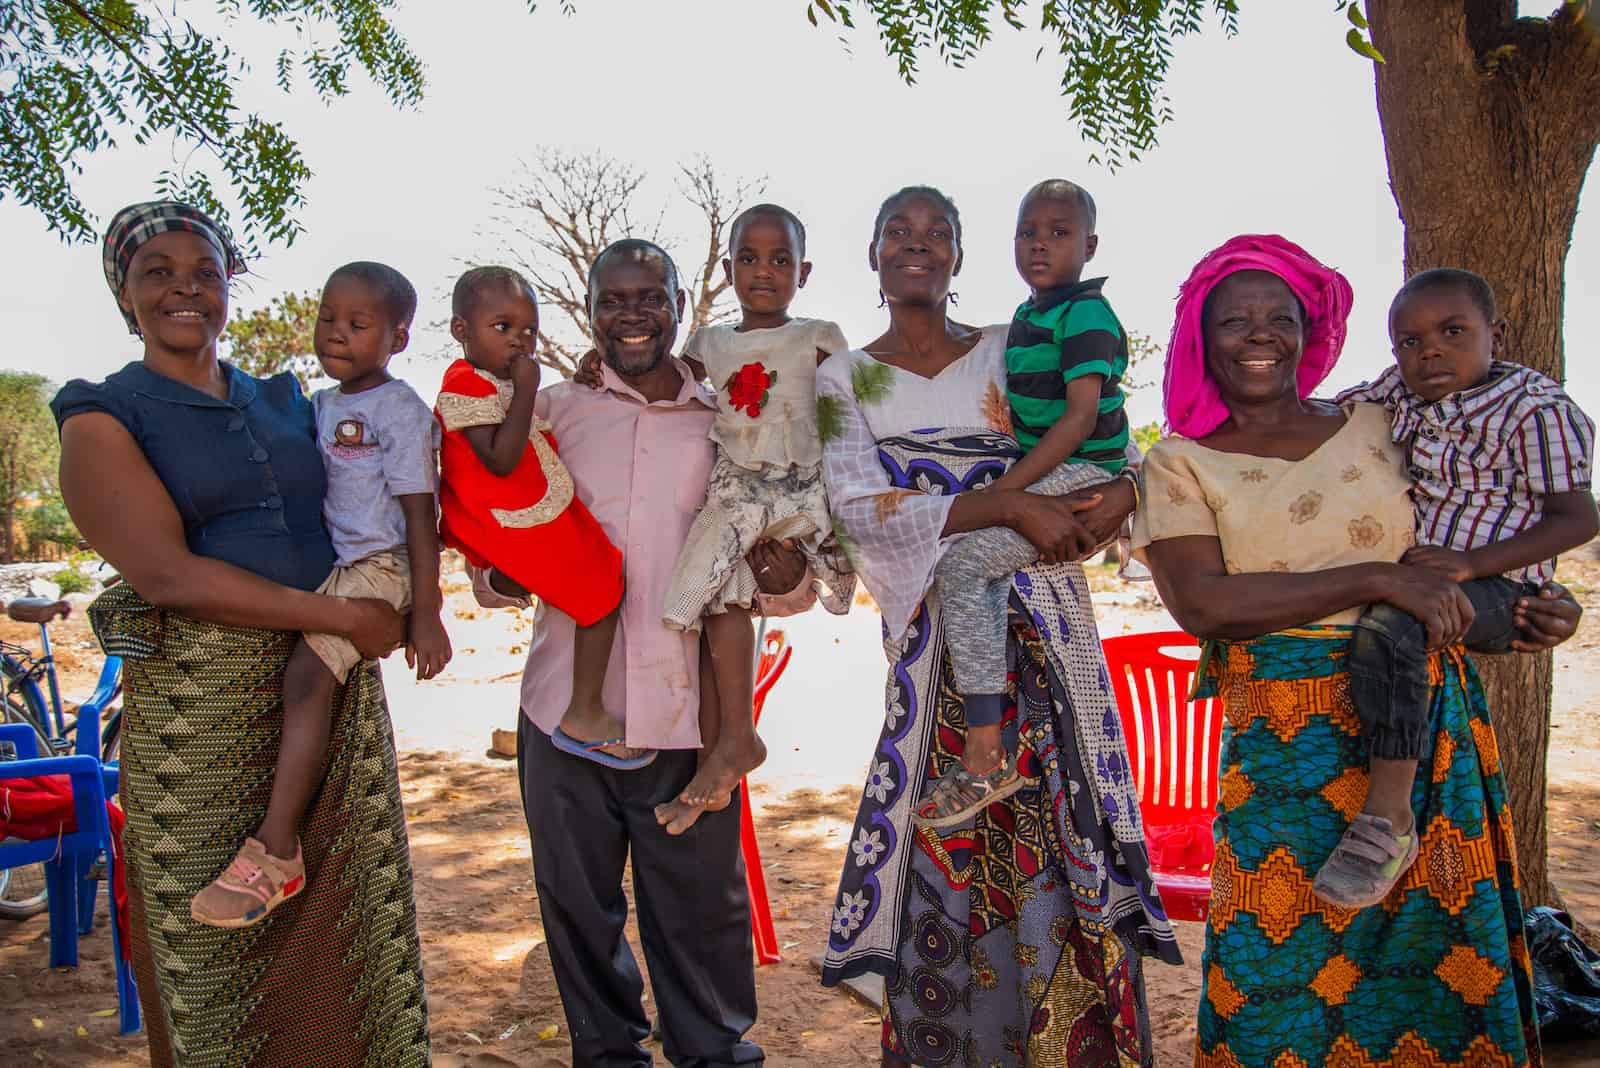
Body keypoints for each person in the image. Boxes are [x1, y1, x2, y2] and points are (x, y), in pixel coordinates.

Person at [1134, 233, 1582, 1068]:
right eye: (1236, 320)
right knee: (1274, 989)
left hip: (1425, 740)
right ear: (1203, 336)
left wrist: (1537, 610)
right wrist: (1378, 577)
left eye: (1281, 317)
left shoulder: (1381, 421)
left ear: (1312, 330)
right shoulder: (1178, 464)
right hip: (1281, 758)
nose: (1261, 334)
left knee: (1437, 982)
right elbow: (1207, 604)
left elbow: (1476, 518)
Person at [53, 201, 428, 1065]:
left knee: (349, 950)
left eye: (205, 273)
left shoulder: (290, 399)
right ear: (126, 296)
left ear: (227, 291)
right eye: (158, 273)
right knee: (215, 962)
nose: (185, 289)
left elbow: (394, 484)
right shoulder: (102, 415)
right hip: (202, 718)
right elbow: (166, 576)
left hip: (328, 695)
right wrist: (344, 619)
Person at [817, 185, 1180, 1067]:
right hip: (936, 643)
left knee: (1062, 831)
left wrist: (1128, 488)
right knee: (951, 845)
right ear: (871, 254)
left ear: (959, 256)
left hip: (1048, 621)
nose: (917, 246)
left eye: (937, 233)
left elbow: (1101, 441)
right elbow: (859, 509)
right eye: (896, 232)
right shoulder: (842, 378)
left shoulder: (1008, 344)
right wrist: (1008, 505)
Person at [472, 238, 815, 1067]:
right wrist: (504, 573)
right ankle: (609, 1054)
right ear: (590, 311)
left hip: (688, 723)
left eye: (649, 296)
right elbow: (493, 538)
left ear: (676, 303)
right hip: (563, 715)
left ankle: (715, 1054)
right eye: (613, 299)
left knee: (701, 917)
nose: (632, 314)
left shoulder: (732, 417)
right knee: (579, 915)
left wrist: (790, 568)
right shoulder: (556, 409)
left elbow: (783, 578)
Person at [1312, 267, 1596, 907]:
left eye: (1452, 331)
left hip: (1501, 586)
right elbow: (1337, 410)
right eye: (1407, 342)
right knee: (1387, 625)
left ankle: (1387, 817)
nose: (1428, 350)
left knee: (1393, 626)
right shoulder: (1403, 395)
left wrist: (1470, 565)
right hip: (1432, 580)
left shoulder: (1536, 410)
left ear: (1497, 333)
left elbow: (1578, 516)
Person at [580, 203, 855, 834]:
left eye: (781, 259)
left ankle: (729, 745)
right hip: (737, 487)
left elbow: (854, 404)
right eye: (751, 259)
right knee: (709, 597)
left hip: (801, 485)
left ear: (804, 272)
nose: (765, 272)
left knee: (761, 583)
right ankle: (731, 741)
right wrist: (594, 365)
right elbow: (667, 376)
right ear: (729, 268)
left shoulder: (820, 335)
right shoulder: (710, 342)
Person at [190, 260, 449, 928]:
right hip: (340, 565)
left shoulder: (399, 410)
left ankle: (277, 852)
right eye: (327, 318)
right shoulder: (323, 404)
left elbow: (422, 516)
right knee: (298, 679)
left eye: (358, 324)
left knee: (307, 680)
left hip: (380, 567)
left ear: (396, 338)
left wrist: (427, 613)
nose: (336, 333)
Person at [918, 178, 1131, 829]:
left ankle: (986, 756)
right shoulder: (1027, 318)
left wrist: (1007, 496)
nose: (1040, 244)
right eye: (1028, 232)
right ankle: (991, 735)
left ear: (1089, 245)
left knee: (960, 566)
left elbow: (1076, 421)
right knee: (975, 570)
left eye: (1059, 233)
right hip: (1053, 470)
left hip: (1080, 470)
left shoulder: (1086, 316)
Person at [435, 266, 631, 765]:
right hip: (509, 519)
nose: (519, 342)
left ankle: (586, 708)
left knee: (606, 573)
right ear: (461, 331)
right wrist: (527, 388)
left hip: (532, 511)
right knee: (602, 588)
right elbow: (500, 460)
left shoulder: (492, 383)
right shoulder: (465, 384)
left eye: (529, 331)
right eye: (502, 328)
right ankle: (584, 711)